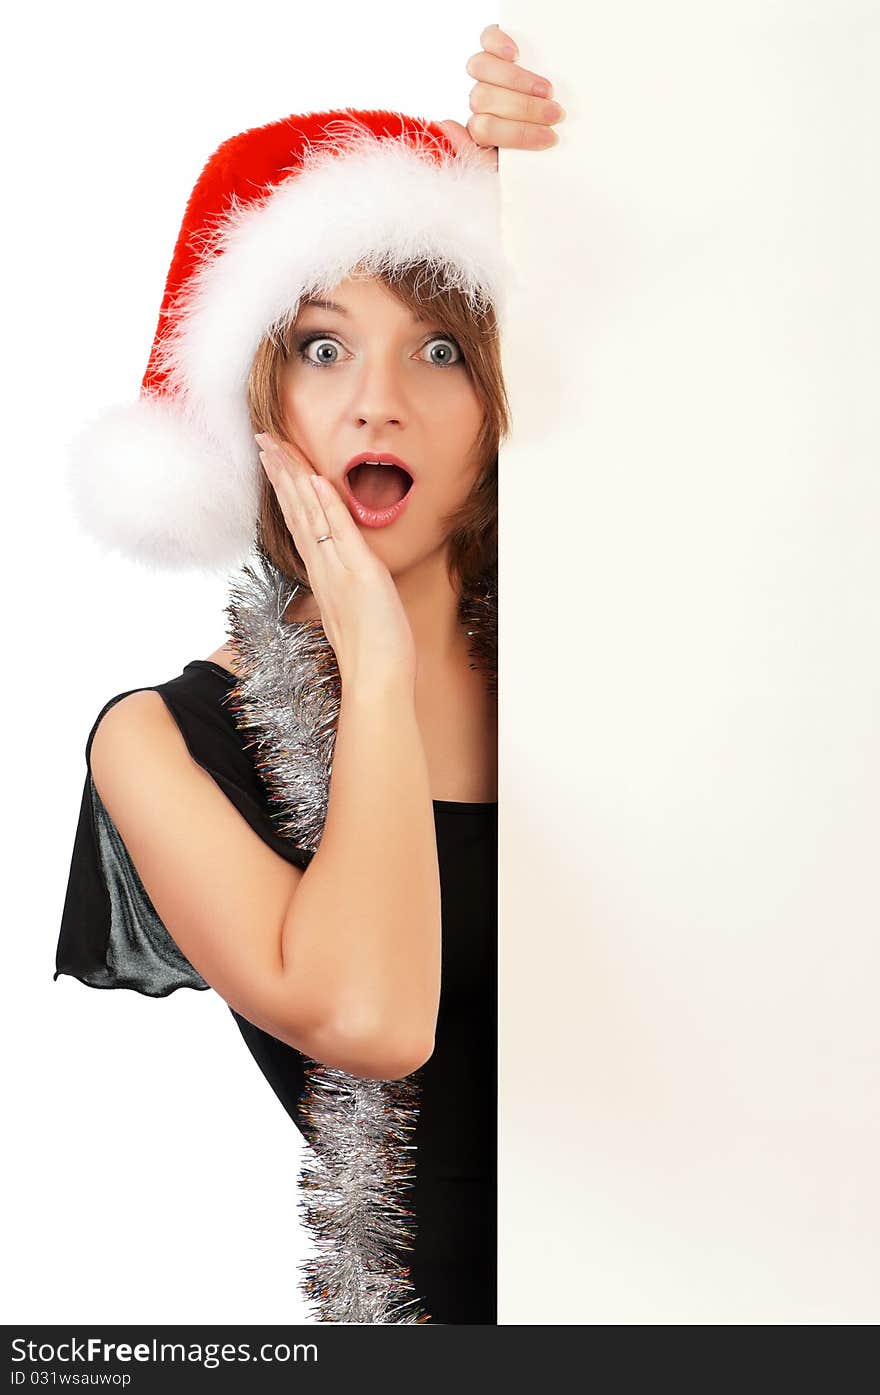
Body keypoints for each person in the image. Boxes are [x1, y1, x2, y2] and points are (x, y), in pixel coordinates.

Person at [53, 25, 564, 1326]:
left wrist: (587, 176)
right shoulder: (158, 744)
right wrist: (378, 678)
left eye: (440, 347)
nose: (379, 402)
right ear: (258, 403)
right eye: (325, 348)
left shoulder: (614, 660)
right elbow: (372, 1018)